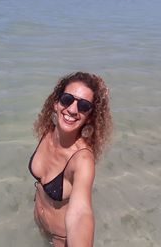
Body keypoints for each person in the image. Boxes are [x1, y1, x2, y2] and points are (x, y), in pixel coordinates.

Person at [29, 71, 113, 247]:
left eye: (83, 106)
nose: (73, 109)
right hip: (39, 222)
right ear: (56, 103)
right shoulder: (48, 131)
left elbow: (81, 213)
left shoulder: (82, 160)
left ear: (90, 115)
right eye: (67, 99)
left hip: (60, 238)